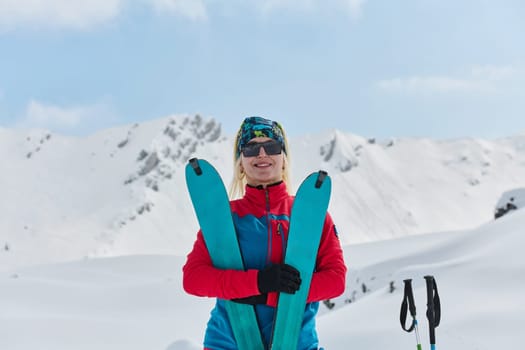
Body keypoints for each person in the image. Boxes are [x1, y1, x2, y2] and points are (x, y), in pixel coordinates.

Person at [183, 116, 347, 350]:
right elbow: (194, 279)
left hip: (297, 343)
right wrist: (258, 282)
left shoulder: (310, 215)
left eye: (271, 147)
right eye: (250, 149)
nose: (261, 154)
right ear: (240, 162)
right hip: (228, 344)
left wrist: (269, 295)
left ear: (283, 158)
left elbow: (335, 280)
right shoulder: (226, 218)